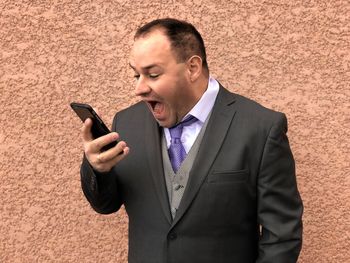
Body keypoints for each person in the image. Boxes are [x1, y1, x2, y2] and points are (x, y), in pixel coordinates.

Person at [80, 18, 303, 263]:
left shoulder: (261, 128)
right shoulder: (126, 123)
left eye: (153, 74)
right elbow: (106, 205)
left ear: (193, 68)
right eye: (136, 75)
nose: (139, 89)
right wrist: (97, 169)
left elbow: (282, 236)